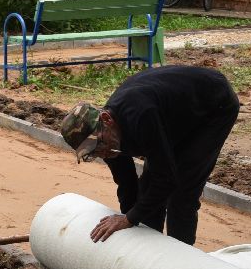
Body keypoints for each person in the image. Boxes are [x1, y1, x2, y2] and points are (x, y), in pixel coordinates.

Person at [58, 65, 240, 246]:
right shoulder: (104, 136)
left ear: (107, 119)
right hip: (174, 113)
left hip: (213, 105)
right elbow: (126, 182)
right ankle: (149, 250)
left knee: (182, 194)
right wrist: (129, 222)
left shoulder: (140, 116)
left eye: (98, 146)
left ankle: (180, 256)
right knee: (148, 188)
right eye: (92, 153)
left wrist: (129, 219)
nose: (101, 153)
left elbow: (166, 179)